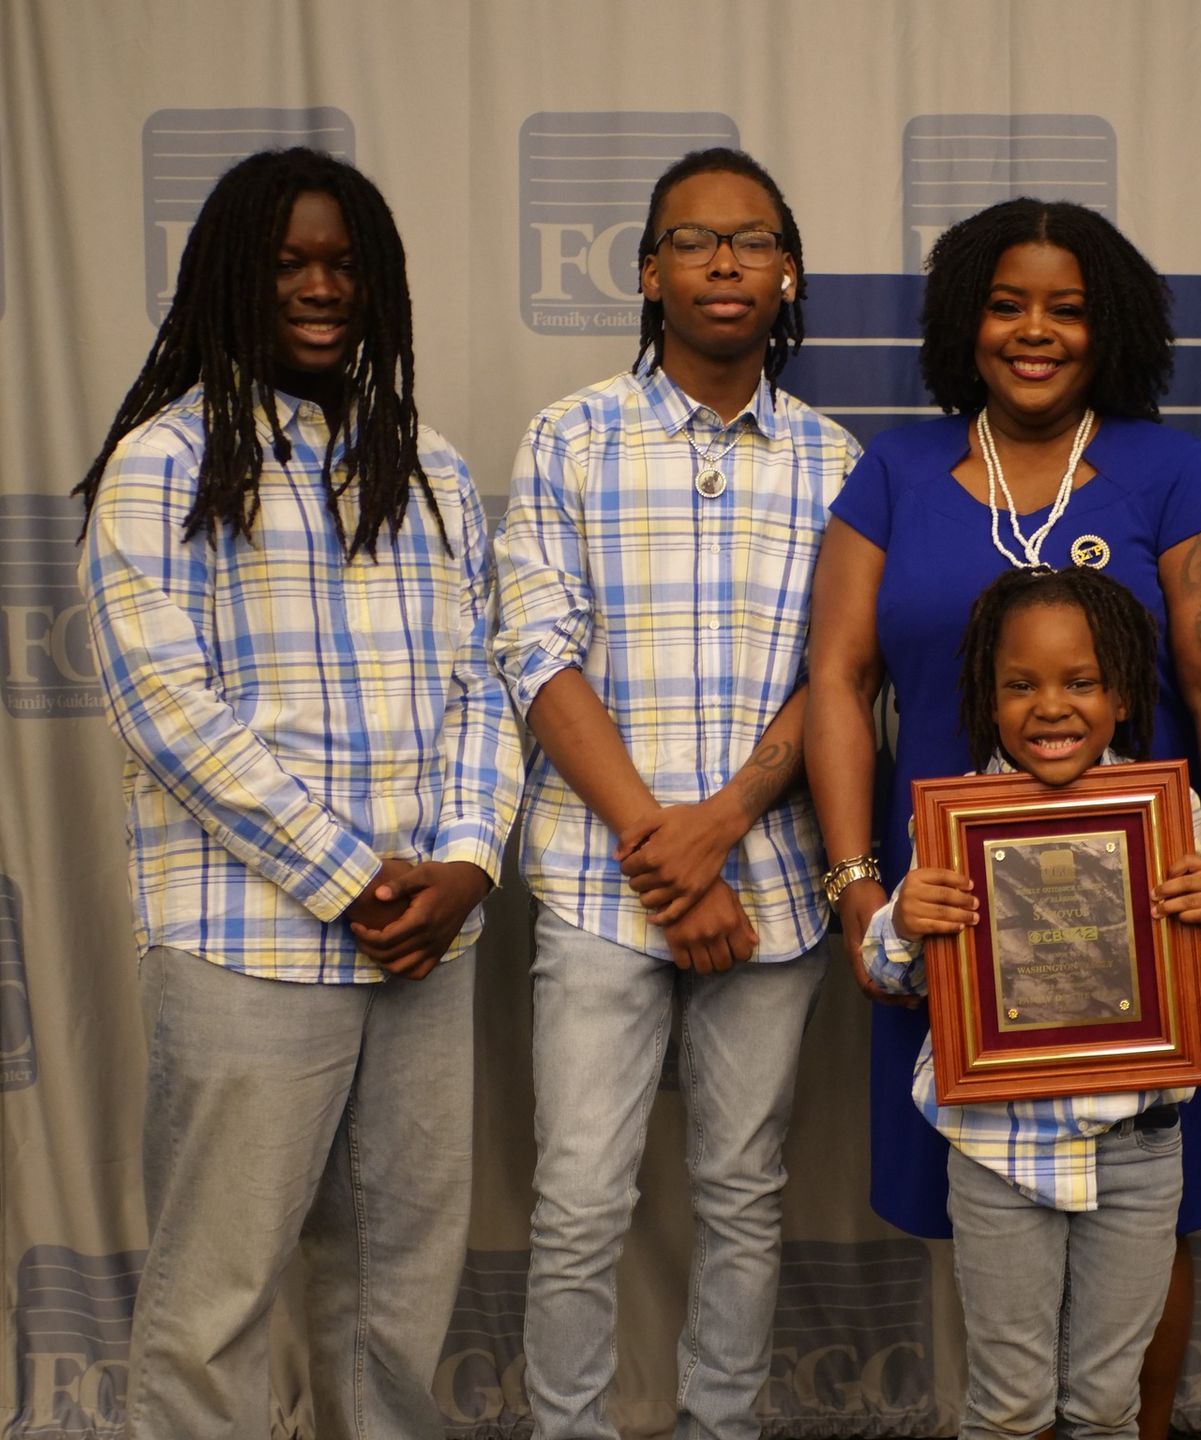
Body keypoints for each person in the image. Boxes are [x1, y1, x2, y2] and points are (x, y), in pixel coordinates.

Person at [806, 197, 1201, 1430]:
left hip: (1151, 930)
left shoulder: (1175, 474)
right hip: (950, 923)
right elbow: (840, 688)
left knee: (1147, 1210)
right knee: (992, 1219)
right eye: (1007, 303)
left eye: (1066, 307)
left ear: (1107, 323)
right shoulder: (894, 473)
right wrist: (860, 889)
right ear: (966, 320)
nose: (1035, 330)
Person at [76, 147, 521, 1439]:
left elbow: (484, 686)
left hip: (428, 942)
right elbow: (166, 707)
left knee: (397, 1293)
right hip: (249, 943)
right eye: (288, 265)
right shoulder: (165, 464)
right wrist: (354, 876)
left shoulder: (427, 470)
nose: (320, 288)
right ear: (231, 280)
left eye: (343, 265)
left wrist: (468, 865)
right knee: (216, 1293)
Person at [491, 148, 860, 1440]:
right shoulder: (570, 438)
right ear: (650, 273)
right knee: (581, 1196)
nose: (722, 262)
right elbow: (539, 654)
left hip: (768, 891)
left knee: (742, 1193)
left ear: (786, 271)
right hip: (605, 887)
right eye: (693, 242)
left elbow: (844, 675)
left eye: (750, 240)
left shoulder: (834, 462)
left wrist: (724, 826)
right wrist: (665, 849)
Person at [860, 566, 1201, 1440]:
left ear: (1123, 696)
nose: (1051, 707)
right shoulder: (951, 826)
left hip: (1137, 1153)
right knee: (1010, 1406)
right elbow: (899, 975)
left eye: (1081, 682)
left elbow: (1193, 965)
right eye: (1020, 686)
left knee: (1107, 1406)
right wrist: (904, 921)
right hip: (999, 1152)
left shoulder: (1167, 813)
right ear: (989, 702)